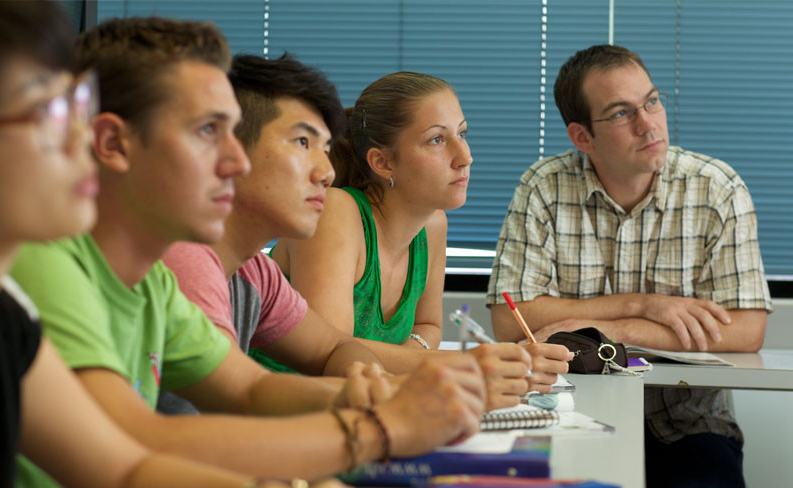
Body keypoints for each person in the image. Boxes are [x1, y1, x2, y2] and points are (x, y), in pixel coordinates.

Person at [9, 15, 486, 488]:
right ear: (113, 143)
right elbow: (137, 444)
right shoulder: (46, 265)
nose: (234, 160)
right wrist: (379, 427)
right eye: (208, 131)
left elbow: (248, 391)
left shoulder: (152, 280)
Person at [487, 44, 772, 488]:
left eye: (652, 102)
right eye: (622, 113)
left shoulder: (716, 187)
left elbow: (746, 330)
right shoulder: (543, 188)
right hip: (569, 417)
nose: (649, 124)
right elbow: (512, 320)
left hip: (689, 426)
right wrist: (648, 306)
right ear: (583, 136)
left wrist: (600, 325)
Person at [163, 54, 543, 413]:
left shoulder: (254, 273)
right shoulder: (186, 263)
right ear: (228, 155)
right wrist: (444, 377)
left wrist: (392, 385)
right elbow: (246, 399)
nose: (326, 171)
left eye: (324, 146)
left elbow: (336, 348)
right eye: (302, 143)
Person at [272, 71, 572, 403]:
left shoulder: (433, 225)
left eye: (462, 133)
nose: (465, 157)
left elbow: (428, 326)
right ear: (383, 162)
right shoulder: (336, 213)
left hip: (373, 405)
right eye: (437, 140)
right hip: (284, 413)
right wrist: (461, 364)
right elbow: (332, 352)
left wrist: (409, 366)